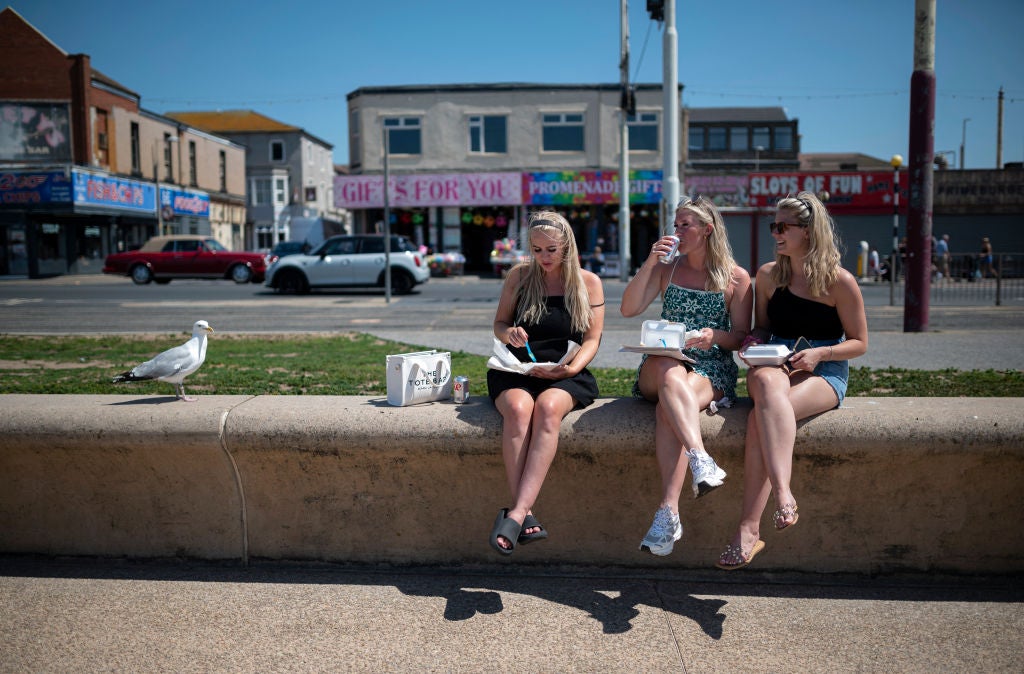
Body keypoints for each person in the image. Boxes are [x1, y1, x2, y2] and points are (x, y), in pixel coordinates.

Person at [717, 191, 868, 570]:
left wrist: (821, 353)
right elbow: (763, 329)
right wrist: (752, 341)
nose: (776, 233)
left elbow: (860, 343)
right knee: (767, 389)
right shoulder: (768, 275)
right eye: (774, 226)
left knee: (760, 419)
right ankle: (784, 494)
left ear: (809, 231)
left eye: (783, 227)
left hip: (824, 368)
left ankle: (748, 530)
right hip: (774, 364)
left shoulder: (840, 282)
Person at [620, 195, 753, 556]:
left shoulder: (736, 278)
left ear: (707, 230)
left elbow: (741, 337)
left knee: (670, 407)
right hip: (662, 362)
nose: (676, 230)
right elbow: (629, 308)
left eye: (684, 225)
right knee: (667, 369)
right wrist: (650, 261)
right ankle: (700, 457)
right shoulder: (668, 268)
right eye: (675, 224)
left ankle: (668, 513)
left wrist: (714, 337)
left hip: (709, 366)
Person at [486, 211, 606, 556]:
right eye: (536, 250)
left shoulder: (588, 282)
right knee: (519, 409)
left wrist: (568, 372)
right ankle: (525, 514)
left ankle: (517, 513)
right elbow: (499, 323)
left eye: (551, 250)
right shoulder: (520, 276)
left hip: (566, 369)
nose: (544, 258)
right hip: (517, 368)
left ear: (567, 246)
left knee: (550, 407)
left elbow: (592, 340)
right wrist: (508, 333)